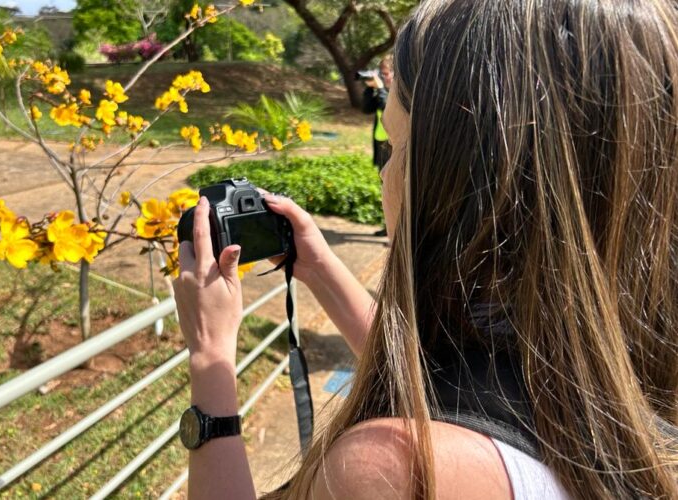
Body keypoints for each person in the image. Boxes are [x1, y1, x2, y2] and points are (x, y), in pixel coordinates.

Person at [174, 0, 678, 498]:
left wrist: (211, 359)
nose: (383, 173)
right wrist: (321, 268)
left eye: (395, 146)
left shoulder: (394, 472)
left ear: (468, 179)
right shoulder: (621, 376)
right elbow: (444, 374)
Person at [362, 55, 394, 237]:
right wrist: (369, 90)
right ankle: (388, 225)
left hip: (393, 146)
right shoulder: (382, 91)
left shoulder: (399, 93)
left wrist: (381, 90)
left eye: (385, 73)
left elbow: (388, 108)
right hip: (381, 145)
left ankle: (396, 226)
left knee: (394, 186)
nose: (382, 78)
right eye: (380, 74)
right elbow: (366, 109)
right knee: (384, 187)